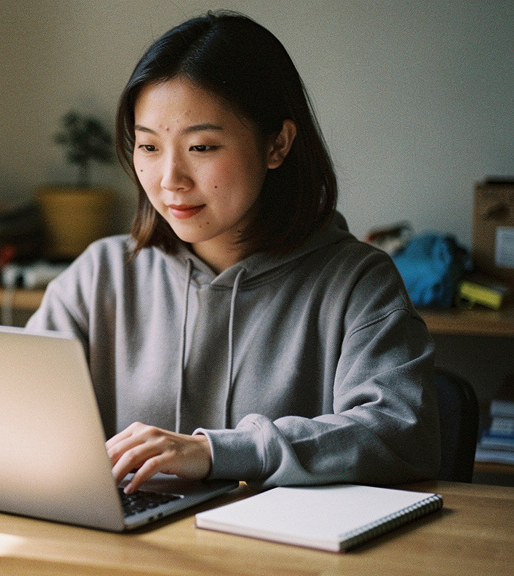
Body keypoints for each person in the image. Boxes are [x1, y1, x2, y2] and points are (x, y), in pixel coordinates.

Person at [25, 11, 440, 493]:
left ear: (278, 144)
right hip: (129, 557)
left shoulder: (356, 282)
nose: (170, 180)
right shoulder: (100, 275)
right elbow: (11, 411)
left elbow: (402, 434)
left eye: (201, 147)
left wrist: (215, 452)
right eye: (148, 147)